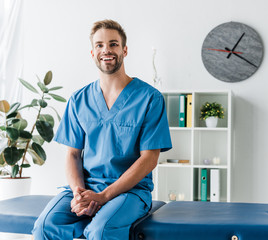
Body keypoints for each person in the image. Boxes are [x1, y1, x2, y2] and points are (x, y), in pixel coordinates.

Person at [32, 19, 172, 240]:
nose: (106, 49)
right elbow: (72, 153)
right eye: (99, 45)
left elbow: (149, 159)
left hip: (130, 192)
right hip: (86, 187)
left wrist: (104, 196)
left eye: (113, 44)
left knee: (101, 230)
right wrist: (79, 195)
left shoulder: (149, 98)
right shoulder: (79, 99)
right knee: (45, 226)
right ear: (92, 52)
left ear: (124, 50)